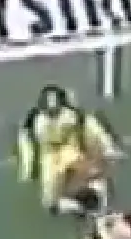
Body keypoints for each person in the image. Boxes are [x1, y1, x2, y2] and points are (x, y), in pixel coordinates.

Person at [16, 84, 121, 216]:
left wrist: (108, 147)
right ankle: (80, 207)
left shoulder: (73, 115)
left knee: (93, 174)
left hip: (71, 149)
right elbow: (25, 143)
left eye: (56, 110)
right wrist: (27, 168)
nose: (53, 115)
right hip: (50, 156)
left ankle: (103, 206)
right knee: (50, 202)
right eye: (49, 112)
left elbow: (92, 127)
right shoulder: (34, 121)